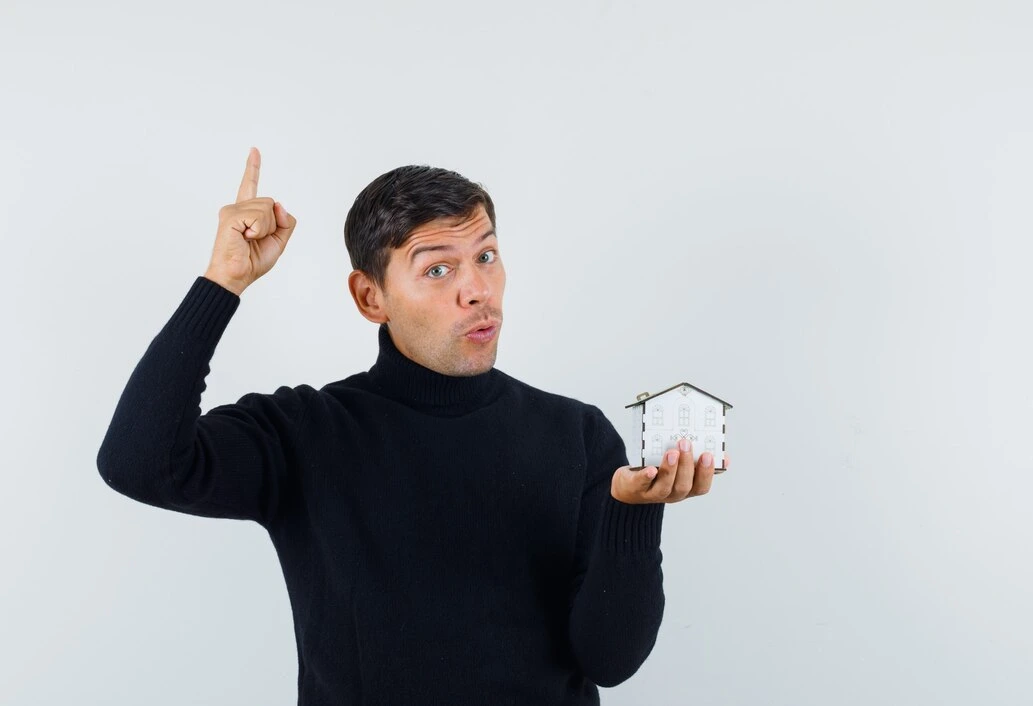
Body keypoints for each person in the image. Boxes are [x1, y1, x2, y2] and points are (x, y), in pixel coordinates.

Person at [96, 147, 728, 705]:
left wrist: (632, 512)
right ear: (371, 298)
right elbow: (139, 462)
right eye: (438, 268)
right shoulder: (306, 432)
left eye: (486, 256)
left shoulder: (579, 435)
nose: (478, 290)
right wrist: (222, 281)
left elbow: (611, 662)